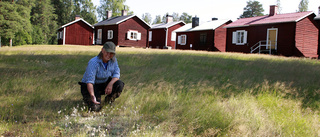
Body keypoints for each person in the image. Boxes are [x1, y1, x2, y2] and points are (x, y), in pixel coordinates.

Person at [78, 41, 124, 111]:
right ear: (102, 50)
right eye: (107, 52)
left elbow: (117, 74)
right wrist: (92, 95)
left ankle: (108, 102)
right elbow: (89, 82)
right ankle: (89, 99)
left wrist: (110, 84)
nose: (109, 55)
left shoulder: (114, 61)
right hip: (90, 86)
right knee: (95, 109)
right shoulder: (93, 62)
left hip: (103, 84)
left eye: (111, 53)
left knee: (119, 84)